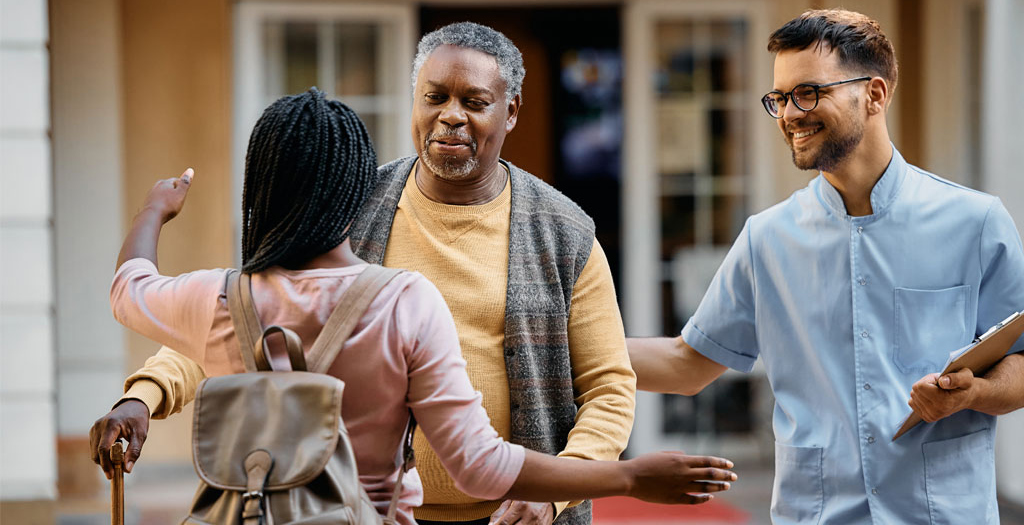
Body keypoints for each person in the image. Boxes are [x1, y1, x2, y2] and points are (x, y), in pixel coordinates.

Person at [96, 88, 737, 525]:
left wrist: (156, 209)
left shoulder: (220, 296)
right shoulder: (404, 301)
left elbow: (129, 287)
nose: (451, 116)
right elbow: (484, 466)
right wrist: (626, 478)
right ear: (360, 190)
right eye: (434, 96)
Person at [627, 9, 1024, 524]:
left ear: (875, 94)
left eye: (809, 92)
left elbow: (1018, 361)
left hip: (943, 513)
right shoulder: (766, 239)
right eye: (781, 98)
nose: (791, 113)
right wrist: (553, 347)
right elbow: (687, 365)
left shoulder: (975, 222)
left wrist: (975, 392)